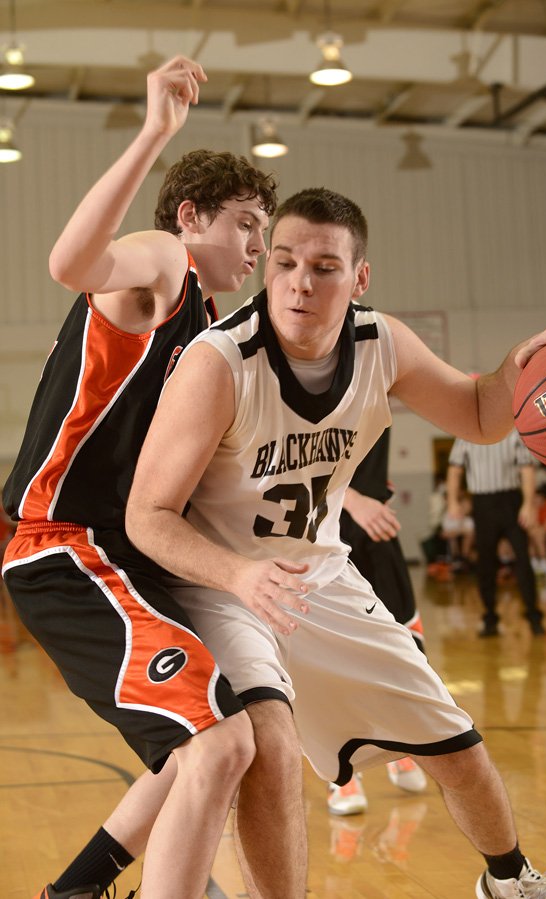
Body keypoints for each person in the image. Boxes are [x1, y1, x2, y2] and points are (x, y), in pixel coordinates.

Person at [116, 187, 546, 898]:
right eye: (284, 262)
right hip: (221, 583)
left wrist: (519, 368)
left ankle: (511, 879)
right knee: (269, 747)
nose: (300, 282)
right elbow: (146, 515)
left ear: (359, 277)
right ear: (268, 268)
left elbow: (480, 414)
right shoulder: (221, 362)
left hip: (319, 576)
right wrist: (240, 576)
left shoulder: (382, 343)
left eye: (324, 266)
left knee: (454, 742)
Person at [1, 56, 281, 899]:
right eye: (246, 225)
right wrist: (154, 131)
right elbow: (70, 261)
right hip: (64, 546)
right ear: (193, 217)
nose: (258, 249)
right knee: (222, 742)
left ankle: (79, 888)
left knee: (214, 732)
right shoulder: (167, 262)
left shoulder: (214, 334)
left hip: (117, 557)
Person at [327, 427, 428, 815]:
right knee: (334, 665)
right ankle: (344, 775)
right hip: (321, 531)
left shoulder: (380, 369)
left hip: (377, 525)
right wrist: (352, 501)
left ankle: (400, 744)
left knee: (407, 653)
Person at [446, 430, 546, 637]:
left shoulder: (514, 433)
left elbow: (527, 469)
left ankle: (534, 617)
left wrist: (528, 504)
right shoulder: (466, 434)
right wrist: (452, 502)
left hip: (511, 500)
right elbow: (455, 470)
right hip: (483, 503)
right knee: (486, 563)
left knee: (523, 560)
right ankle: (490, 617)